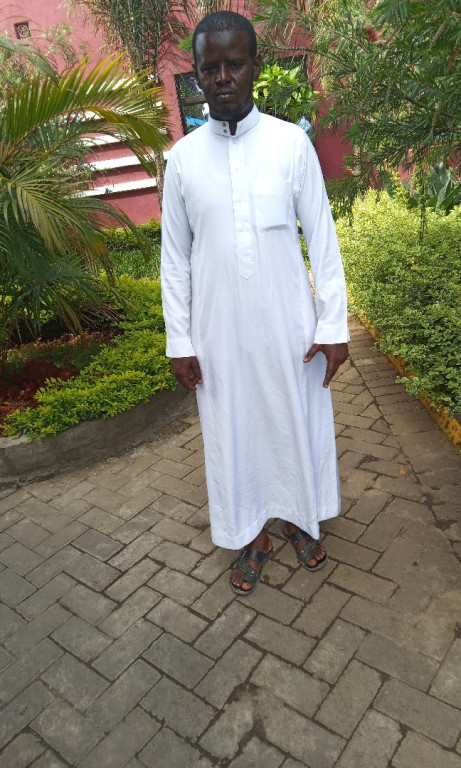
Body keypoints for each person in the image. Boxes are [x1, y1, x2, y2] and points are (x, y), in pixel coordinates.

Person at [161, 11, 349, 595]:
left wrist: (333, 326)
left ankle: (300, 517)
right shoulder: (183, 160)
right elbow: (174, 260)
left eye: (234, 64)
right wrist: (180, 341)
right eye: (210, 67)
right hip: (219, 334)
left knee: (296, 422)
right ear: (197, 74)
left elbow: (323, 238)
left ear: (254, 67)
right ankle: (251, 535)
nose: (223, 78)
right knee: (234, 432)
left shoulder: (290, 144)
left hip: (290, 327)